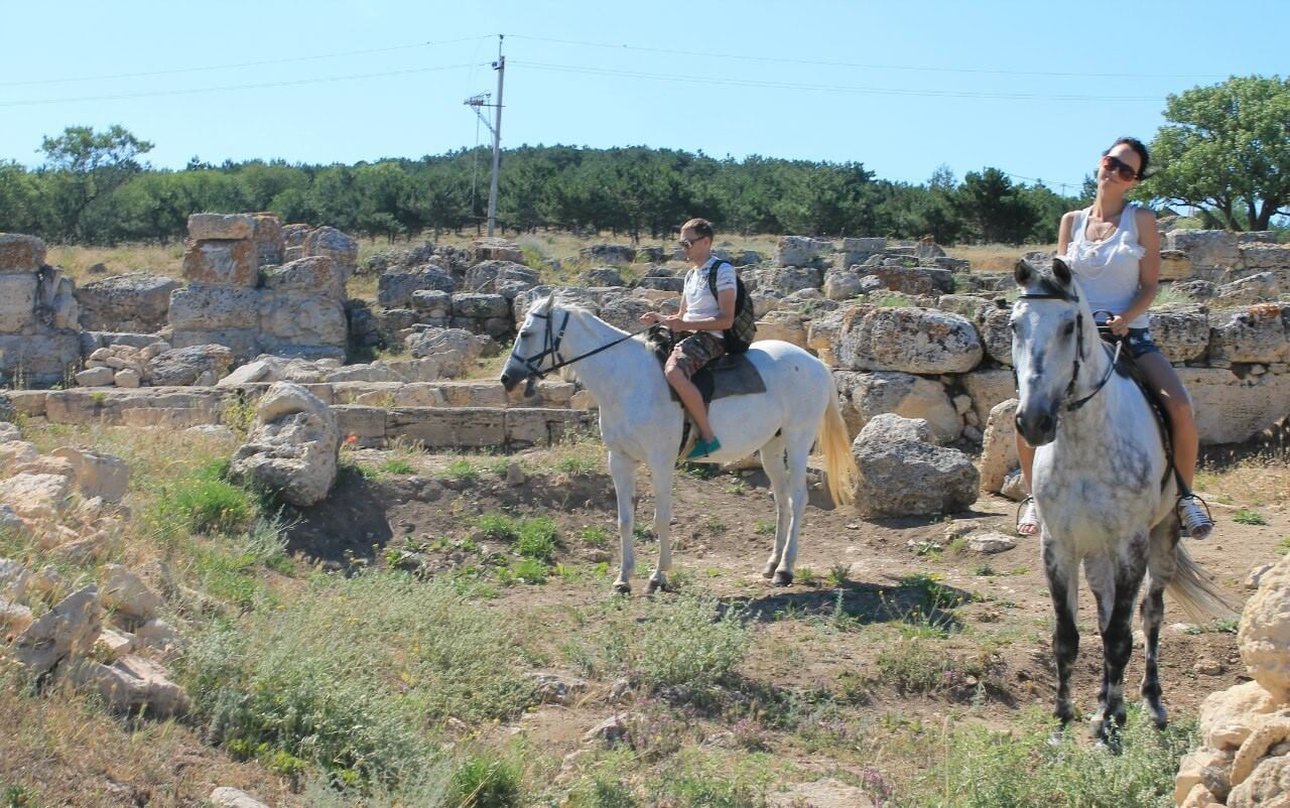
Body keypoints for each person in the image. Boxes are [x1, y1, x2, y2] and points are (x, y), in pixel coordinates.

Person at [1015, 136, 1214, 540]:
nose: (1116, 173)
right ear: (1100, 163)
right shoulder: (1071, 221)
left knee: (1179, 406)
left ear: (1134, 182)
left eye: (1127, 171)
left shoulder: (1141, 219)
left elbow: (1150, 285)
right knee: (1025, 404)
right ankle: (1035, 496)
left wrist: (1127, 318)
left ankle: (1185, 497)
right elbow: (1063, 283)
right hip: (1078, 340)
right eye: (1112, 163)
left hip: (1128, 335)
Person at [639, 217, 735, 459]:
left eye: (687, 243)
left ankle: (708, 437)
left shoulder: (722, 270)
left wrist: (685, 325)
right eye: (681, 243)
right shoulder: (691, 275)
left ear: (705, 242)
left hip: (712, 337)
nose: (683, 248)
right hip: (689, 333)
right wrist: (661, 318)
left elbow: (726, 320)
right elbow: (682, 315)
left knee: (673, 372)